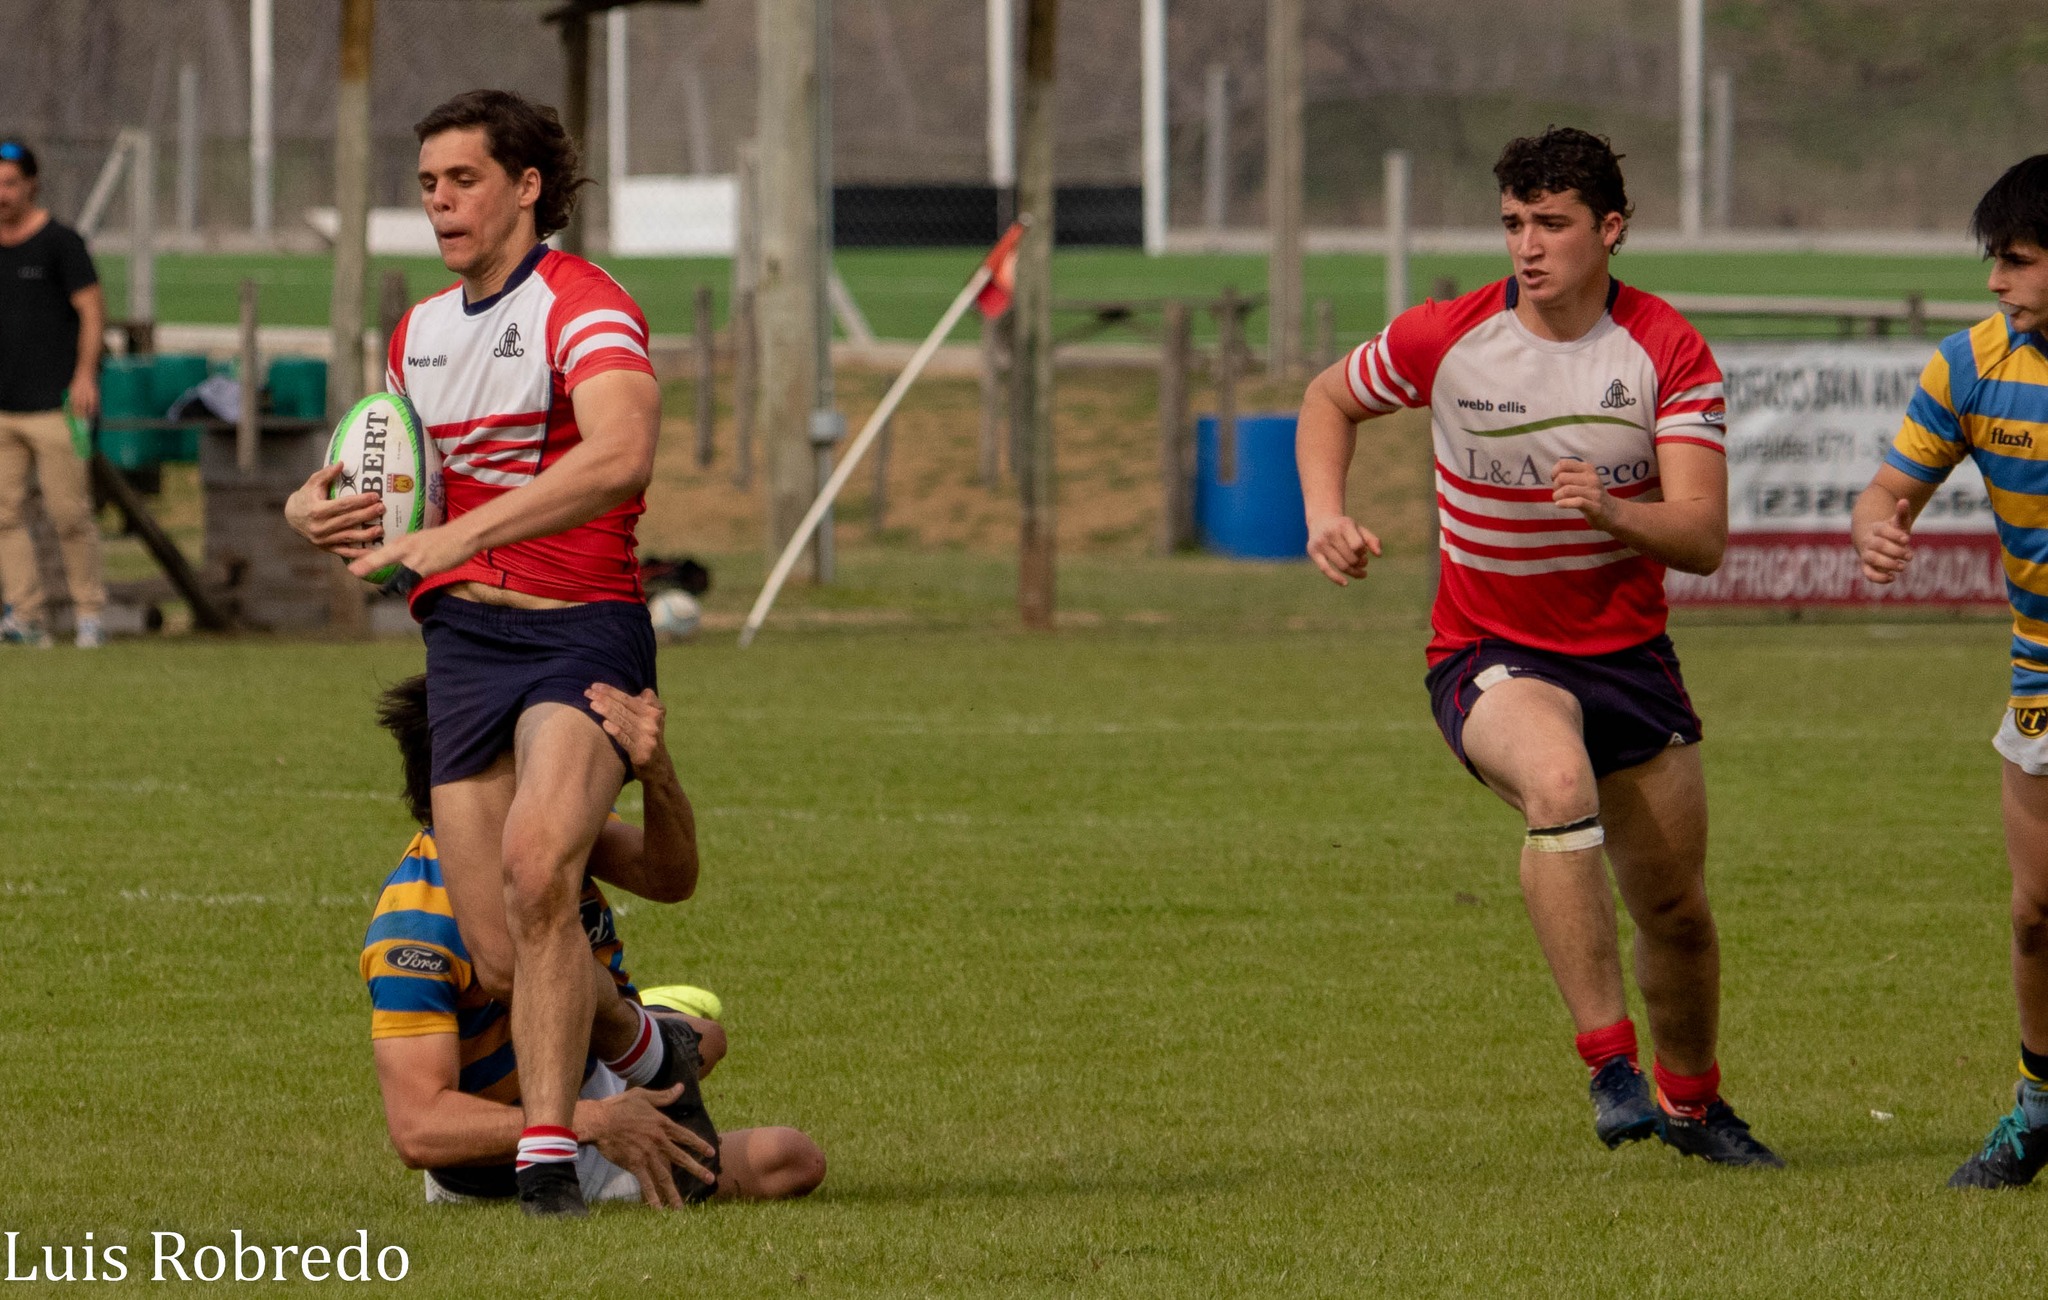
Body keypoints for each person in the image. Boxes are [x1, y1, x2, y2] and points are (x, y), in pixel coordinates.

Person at [1294, 127, 1780, 1167]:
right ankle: (1610, 1067)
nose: (1527, 245)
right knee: (1557, 783)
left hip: (1628, 659)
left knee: (1676, 913)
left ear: (1610, 229)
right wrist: (1323, 513)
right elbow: (1328, 396)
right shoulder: (1448, 336)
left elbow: (1701, 536)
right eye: (1513, 223)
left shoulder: (1665, 350)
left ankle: (1693, 1105)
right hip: (1487, 649)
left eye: (1551, 224)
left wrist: (1615, 512)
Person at [284, 89, 672, 1216]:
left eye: (462, 180)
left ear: (526, 186)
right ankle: (640, 1040)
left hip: (579, 629)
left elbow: (623, 453)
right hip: (463, 641)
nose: (440, 203)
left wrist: (459, 537)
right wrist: (313, 509)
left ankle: (547, 1158)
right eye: (427, 185)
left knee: (541, 862)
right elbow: (391, 483)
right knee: (500, 952)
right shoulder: (416, 333)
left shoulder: (583, 305)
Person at [364, 674, 826, 1208]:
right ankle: (627, 1055)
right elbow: (419, 1129)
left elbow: (671, 878)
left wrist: (657, 773)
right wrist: (595, 1122)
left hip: (582, 1075)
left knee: (706, 1038)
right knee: (790, 1158)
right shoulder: (413, 928)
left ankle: (628, 1026)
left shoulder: (549, 835)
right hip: (502, 1168)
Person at [1853, 154, 2048, 1189]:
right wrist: (1876, 528)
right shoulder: (1968, 365)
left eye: (2016, 260)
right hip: (2039, 669)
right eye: (1992, 259)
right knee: (2033, 912)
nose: (1994, 281)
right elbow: (1883, 491)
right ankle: (2039, 1106)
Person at [0, 137, 107, 649]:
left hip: (56, 407)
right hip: (3, 410)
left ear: (31, 185)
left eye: (9, 183)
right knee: (4, 516)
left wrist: (85, 375)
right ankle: (26, 617)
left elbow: (92, 311)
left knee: (70, 516)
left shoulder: (61, 242)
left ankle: (90, 615)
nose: (2, 194)